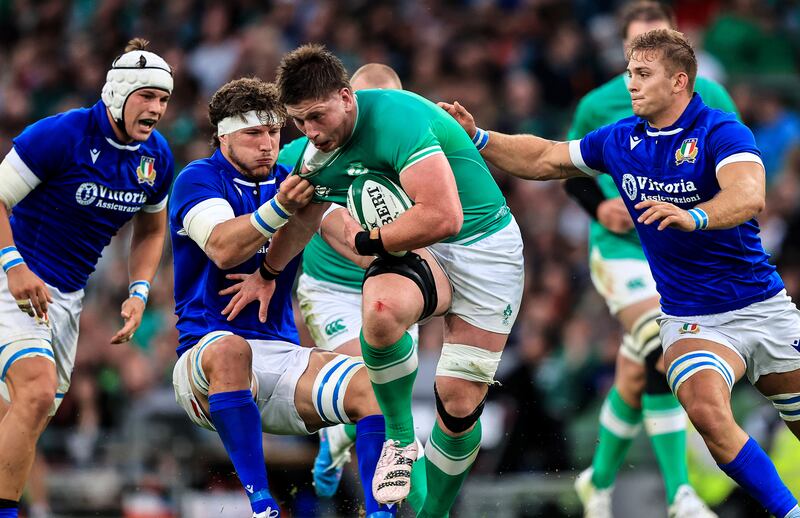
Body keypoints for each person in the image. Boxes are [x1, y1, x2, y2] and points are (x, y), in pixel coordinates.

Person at [440, 28, 800, 518]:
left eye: (643, 74)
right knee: (706, 410)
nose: (630, 84)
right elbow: (545, 157)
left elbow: (749, 192)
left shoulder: (721, 131)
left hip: (764, 308)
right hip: (693, 318)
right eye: (629, 73)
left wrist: (693, 215)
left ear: (679, 82)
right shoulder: (620, 139)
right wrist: (480, 137)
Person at [245, 44, 524, 516]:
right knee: (379, 307)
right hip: (385, 266)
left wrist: (367, 241)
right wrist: (268, 272)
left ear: (347, 97)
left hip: (486, 252)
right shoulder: (312, 153)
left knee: (458, 407)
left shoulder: (401, 120)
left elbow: (445, 217)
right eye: (299, 121)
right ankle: (398, 437)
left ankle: (429, 512)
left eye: (317, 116)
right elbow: (304, 219)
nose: (310, 131)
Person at [169, 77, 398, 518]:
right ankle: (262, 505)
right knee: (232, 349)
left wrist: (410, 257)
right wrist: (280, 208)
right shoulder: (199, 178)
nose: (267, 145)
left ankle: (380, 513)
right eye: (253, 133)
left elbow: (352, 240)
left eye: (274, 132)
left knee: (375, 385)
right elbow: (222, 246)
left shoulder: (291, 183)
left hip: (280, 356)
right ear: (223, 136)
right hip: (205, 360)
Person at [562, 3, 731, 516]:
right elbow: (568, 170)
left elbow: (735, 169)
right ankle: (681, 492)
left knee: (637, 372)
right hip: (621, 252)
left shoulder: (714, 99)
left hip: (683, 259)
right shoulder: (599, 104)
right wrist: (601, 205)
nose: (640, 63)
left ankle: (598, 481)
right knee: (664, 345)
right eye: (633, 50)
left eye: (652, 49)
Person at [0, 38, 174, 518]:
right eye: (147, 96)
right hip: (11, 276)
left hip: (66, 300)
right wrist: (13, 266)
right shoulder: (62, 134)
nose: (157, 108)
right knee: (35, 393)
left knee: (22, 418)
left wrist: (139, 290)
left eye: (163, 99)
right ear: (118, 92)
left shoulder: (156, 158)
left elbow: (153, 228)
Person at [277, 63, 426, 507]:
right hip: (332, 292)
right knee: (377, 390)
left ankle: (338, 437)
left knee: (390, 403)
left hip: (398, 288)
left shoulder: (414, 144)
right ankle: (384, 508)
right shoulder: (303, 153)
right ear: (345, 99)